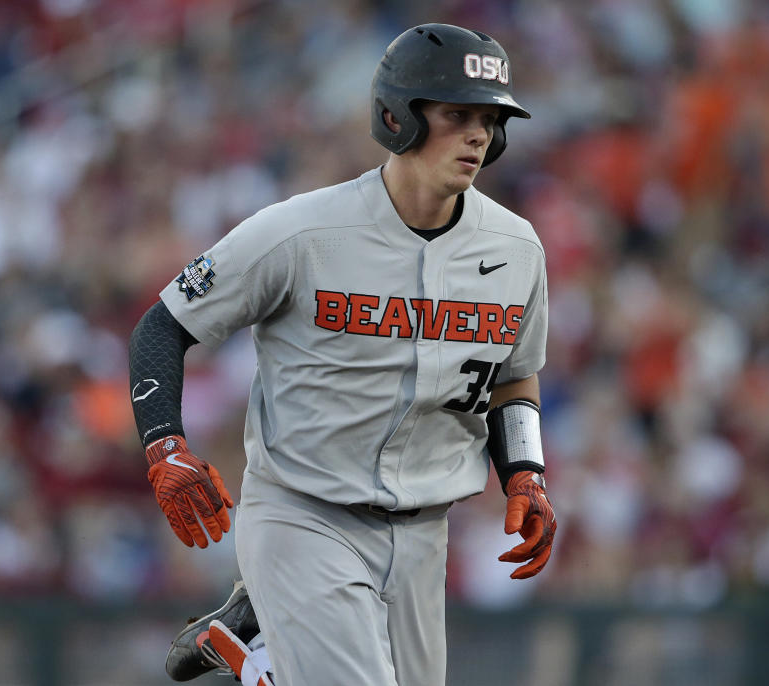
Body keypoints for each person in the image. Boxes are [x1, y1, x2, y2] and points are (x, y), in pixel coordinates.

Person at [128, 22, 557, 686]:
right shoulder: (302, 230)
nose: (479, 134)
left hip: (422, 533)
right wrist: (165, 446)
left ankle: (257, 647)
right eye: (457, 114)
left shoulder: (517, 248)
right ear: (400, 116)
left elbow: (515, 378)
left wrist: (525, 473)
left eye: (489, 119)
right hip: (303, 512)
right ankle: (263, 657)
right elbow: (163, 325)